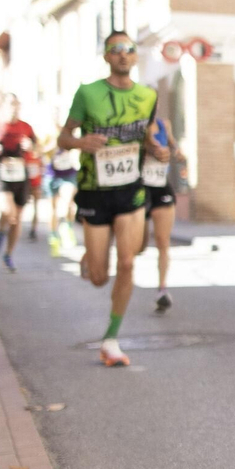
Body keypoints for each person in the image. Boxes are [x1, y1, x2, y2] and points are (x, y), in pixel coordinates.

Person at [57, 32, 167, 366]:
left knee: (129, 262)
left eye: (129, 50)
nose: (123, 55)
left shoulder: (148, 96)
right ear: (106, 56)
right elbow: (64, 137)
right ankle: (92, 258)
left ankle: (111, 339)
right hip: (94, 190)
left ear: (135, 57)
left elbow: (146, 136)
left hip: (130, 189)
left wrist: (157, 149)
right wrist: (80, 144)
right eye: (116, 50)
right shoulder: (88, 93)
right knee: (98, 277)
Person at [0, 96, 37, 272]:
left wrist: (30, 146)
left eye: (16, 104)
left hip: (20, 175)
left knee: (16, 219)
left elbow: (36, 147)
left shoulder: (26, 127)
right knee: (9, 212)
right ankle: (2, 230)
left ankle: (8, 254)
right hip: (2, 173)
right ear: (3, 107)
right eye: (10, 104)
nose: (13, 108)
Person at [142, 117, 178, 315]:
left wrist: (176, 150)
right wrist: (151, 148)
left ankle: (162, 289)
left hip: (161, 187)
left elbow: (171, 142)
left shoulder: (165, 123)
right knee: (139, 244)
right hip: (140, 188)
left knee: (163, 241)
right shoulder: (135, 125)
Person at [46, 144, 79, 257]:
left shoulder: (71, 135)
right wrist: (53, 148)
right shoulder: (48, 136)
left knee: (68, 202)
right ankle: (53, 236)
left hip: (69, 175)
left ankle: (66, 226)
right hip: (52, 176)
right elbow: (39, 151)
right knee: (53, 209)